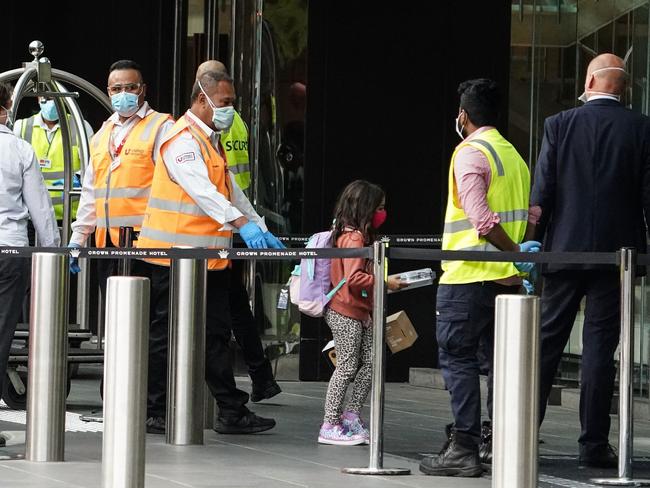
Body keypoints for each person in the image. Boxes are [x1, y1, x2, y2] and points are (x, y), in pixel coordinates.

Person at [136, 69, 285, 434]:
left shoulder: (210, 141)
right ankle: (154, 409)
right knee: (164, 334)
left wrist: (260, 228)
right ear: (201, 99)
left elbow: (232, 191)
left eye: (232, 102)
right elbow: (202, 191)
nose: (229, 110)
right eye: (225, 103)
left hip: (207, 259)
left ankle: (230, 410)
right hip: (173, 257)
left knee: (214, 334)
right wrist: (241, 226)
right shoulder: (181, 139)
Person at [531, 53, 650, 469]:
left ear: (590, 81)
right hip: (616, 258)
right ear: (624, 87)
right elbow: (648, 199)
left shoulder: (559, 125)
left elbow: (542, 193)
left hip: (563, 251)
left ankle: (525, 430)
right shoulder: (641, 129)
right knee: (601, 350)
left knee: (545, 345)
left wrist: (533, 248)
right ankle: (593, 444)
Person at [419, 78, 540, 477]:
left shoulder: (469, 152)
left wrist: (516, 251)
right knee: (498, 367)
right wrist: (520, 256)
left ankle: (464, 447)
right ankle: (495, 443)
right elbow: (531, 215)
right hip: (506, 283)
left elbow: (482, 220)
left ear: (464, 116)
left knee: (459, 361)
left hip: (467, 279)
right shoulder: (515, 156)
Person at [68, 59, 174, 434]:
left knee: (153, 331)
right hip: (108, 244)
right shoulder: (101, 135)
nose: (123, 95)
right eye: (116, 89)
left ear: (142, 89)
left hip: (149, 242)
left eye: (130, 87)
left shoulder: (162, 127)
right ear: (108, 91)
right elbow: (91, 192)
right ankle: (115, 402)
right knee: (114, 329)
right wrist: (78, 238)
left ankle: (155, 407)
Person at [195, 60, 282, 403]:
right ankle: (260, 376)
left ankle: (251, 382)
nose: (227, 105)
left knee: (226, 309)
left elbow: (220, 185)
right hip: (233, 224)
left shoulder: (214, 127)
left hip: (223, 227)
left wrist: (249, 224)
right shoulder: (234, 123)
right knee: (235, 306)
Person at [317, 180, 405, 445]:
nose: (382, 213)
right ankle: (330, 423)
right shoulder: (354, 237)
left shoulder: (348, 233)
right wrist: (384, 282)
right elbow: (354, 278)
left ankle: (351, 416)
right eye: (379, 207)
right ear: (366, 208)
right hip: (345, 311)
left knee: (371, 362)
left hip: (358, 311)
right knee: (346, 366)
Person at [0, 82, 60, 432]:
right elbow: (41, 208)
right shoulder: (20, 149)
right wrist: (53, 251)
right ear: (7, 105)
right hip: (11, 250)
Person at [14, 96, 94, 221]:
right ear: (38, 98)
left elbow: (93, 167)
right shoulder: (22, 126)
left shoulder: (80, 126)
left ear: (63, 99)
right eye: (46, 98)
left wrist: (78, 178)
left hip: (69, 216)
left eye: (54, 97)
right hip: (31, 215)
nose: (51, 102)